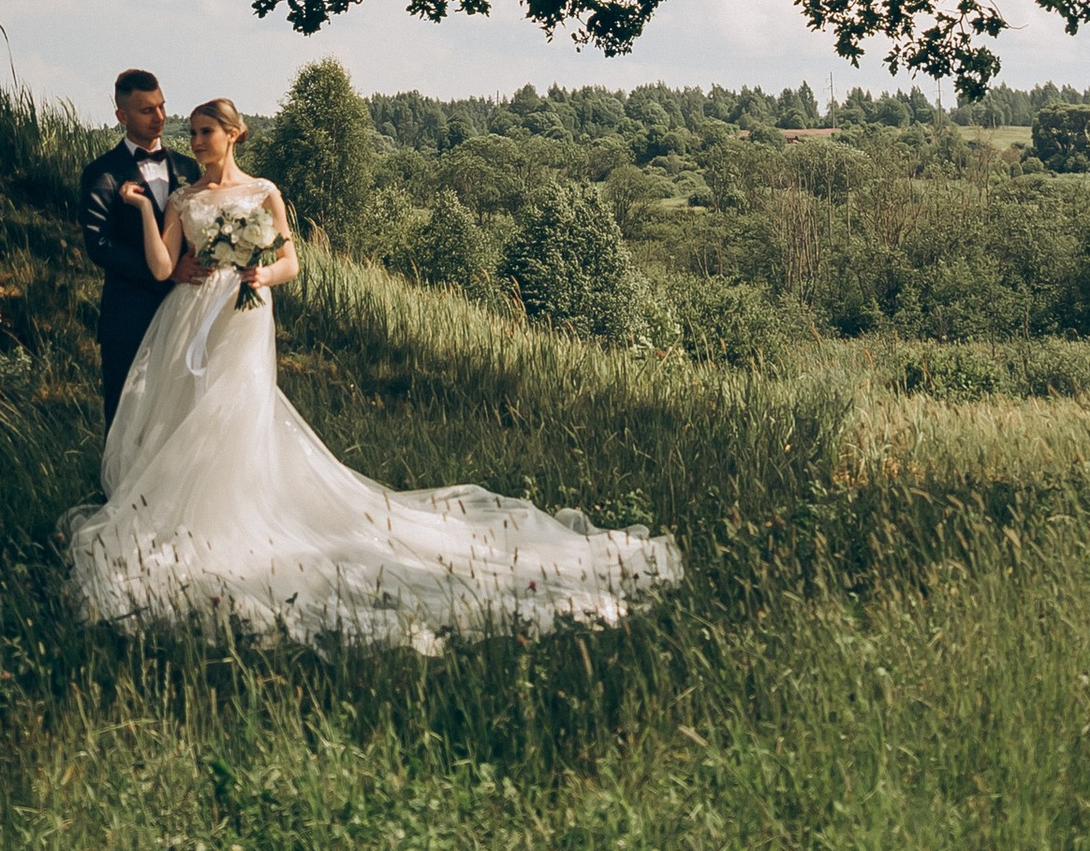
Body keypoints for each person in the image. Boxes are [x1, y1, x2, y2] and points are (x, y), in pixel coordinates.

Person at [64, 99, 682, 648]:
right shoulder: (187, 197)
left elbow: (291, 263)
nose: (194, 141)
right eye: (191, 132)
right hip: (191, 316)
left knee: (237, 413)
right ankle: (186, 516)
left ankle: (239, 512)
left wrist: (259, 275)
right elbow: (166, 263)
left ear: (233, 135)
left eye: (205, 131)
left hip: (244, 316)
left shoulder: (265, 192)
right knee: (189, 413)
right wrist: (148, 213)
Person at [78, 69, 200, 428]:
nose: (159, 117)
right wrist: (164, 272)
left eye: (161, 106)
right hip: (128, 313)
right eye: (147, 110)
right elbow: (99, 245)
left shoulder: (188, 168)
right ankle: (117, 486)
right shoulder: (103, 173)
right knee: (125, 414)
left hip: (185, 309)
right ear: (122, 116)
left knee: (177, 413)